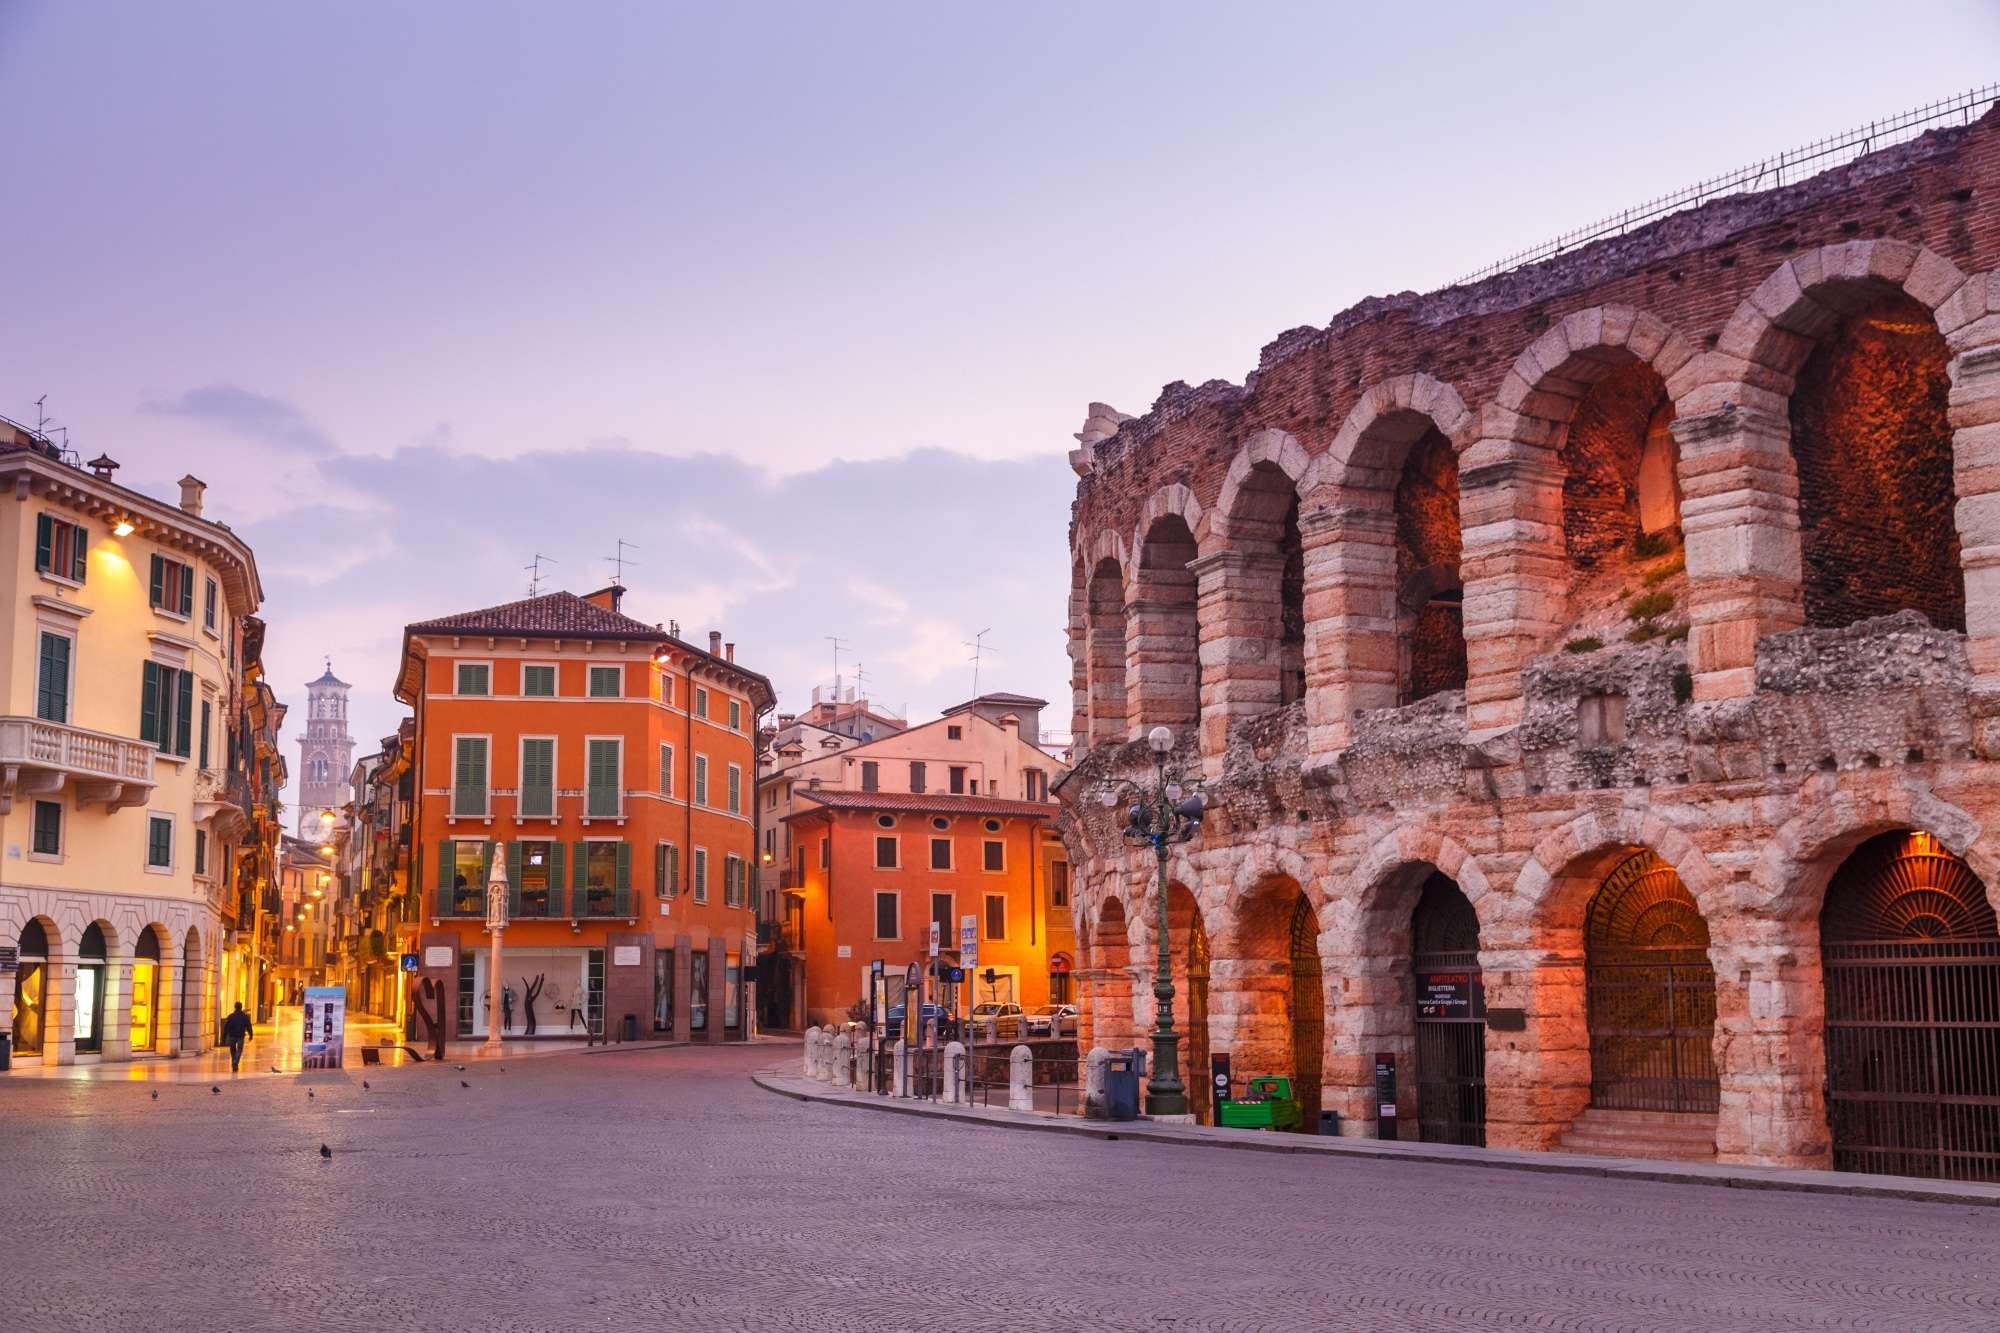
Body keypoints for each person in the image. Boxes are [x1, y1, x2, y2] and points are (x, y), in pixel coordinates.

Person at [221, 1002, 254, 1073]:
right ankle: (235, 1062)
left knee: (232, 1050)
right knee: (239, 1049)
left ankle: (234, 1063)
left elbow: (226, 1027)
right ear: (241, 1007)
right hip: (240, 1036)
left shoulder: (231, 1016)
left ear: (235, 1007)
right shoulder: (244, 1017)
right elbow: (249, 1026)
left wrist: (223, 1037)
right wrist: (251, 1035)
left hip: (232, 1036)